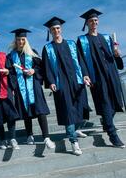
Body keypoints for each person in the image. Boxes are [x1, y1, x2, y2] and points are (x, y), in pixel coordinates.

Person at [42, 17, 91, 155]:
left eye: (57, 28)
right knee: (68, 111)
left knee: (81, 107)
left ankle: (75, 128)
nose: (56, 30)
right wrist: (51, 81)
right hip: (61, 83)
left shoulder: (71, 44)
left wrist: (85, 74)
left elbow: (80, 60)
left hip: (76, 80)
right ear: (50, 32)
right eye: (53, 29)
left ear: (61, 29)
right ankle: (73, 141)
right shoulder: (48, 48)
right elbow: (47, 68)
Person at [77, 9, 125, 148]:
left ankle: (106, 121)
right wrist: (85, 75)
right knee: (104, 102)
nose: (94, 22)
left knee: (116, 102)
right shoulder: (82, 40)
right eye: (91, 20)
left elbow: (115, 58)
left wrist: (117, 54)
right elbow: (81, 60)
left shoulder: (106, 37)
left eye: (96, 20)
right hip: (97, 75)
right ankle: (112, 135)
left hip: (111, 74)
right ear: (87, 23)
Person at [8, 28, 55, 149]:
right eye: (18, 39)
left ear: (26, 40)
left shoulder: (32, 52)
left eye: (23, 39)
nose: (20, 41)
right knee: (26, 112)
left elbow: (41, 67)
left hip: (34, 86)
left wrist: (34, 70)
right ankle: (29, 135)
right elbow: (10, 72)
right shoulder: (11, 56)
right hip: (20, 87)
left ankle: (46, 137)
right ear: (15, 40)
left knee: (40, 111)